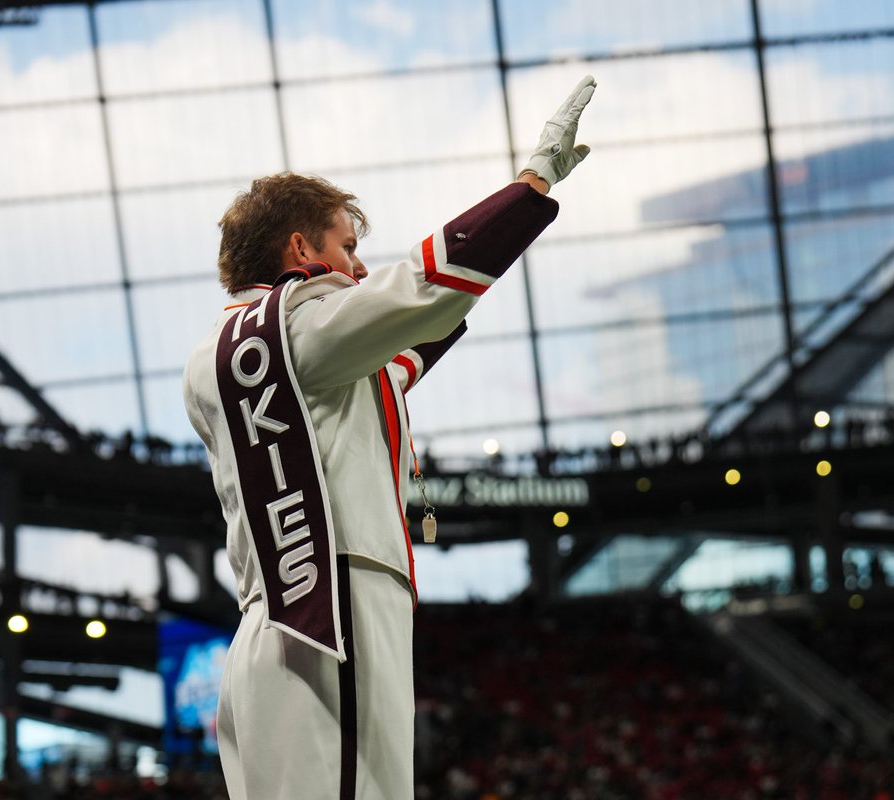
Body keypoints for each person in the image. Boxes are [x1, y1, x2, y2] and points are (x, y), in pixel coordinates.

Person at [182, 75, 597, 800]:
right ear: (300, 248)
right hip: (332, 611)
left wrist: (454, 301)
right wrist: (531, 187)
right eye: (348, 246)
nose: (361, 266)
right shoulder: (303, 323)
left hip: (271, 625)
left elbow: (404, 349)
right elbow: (419, 291)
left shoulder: (231, 353)